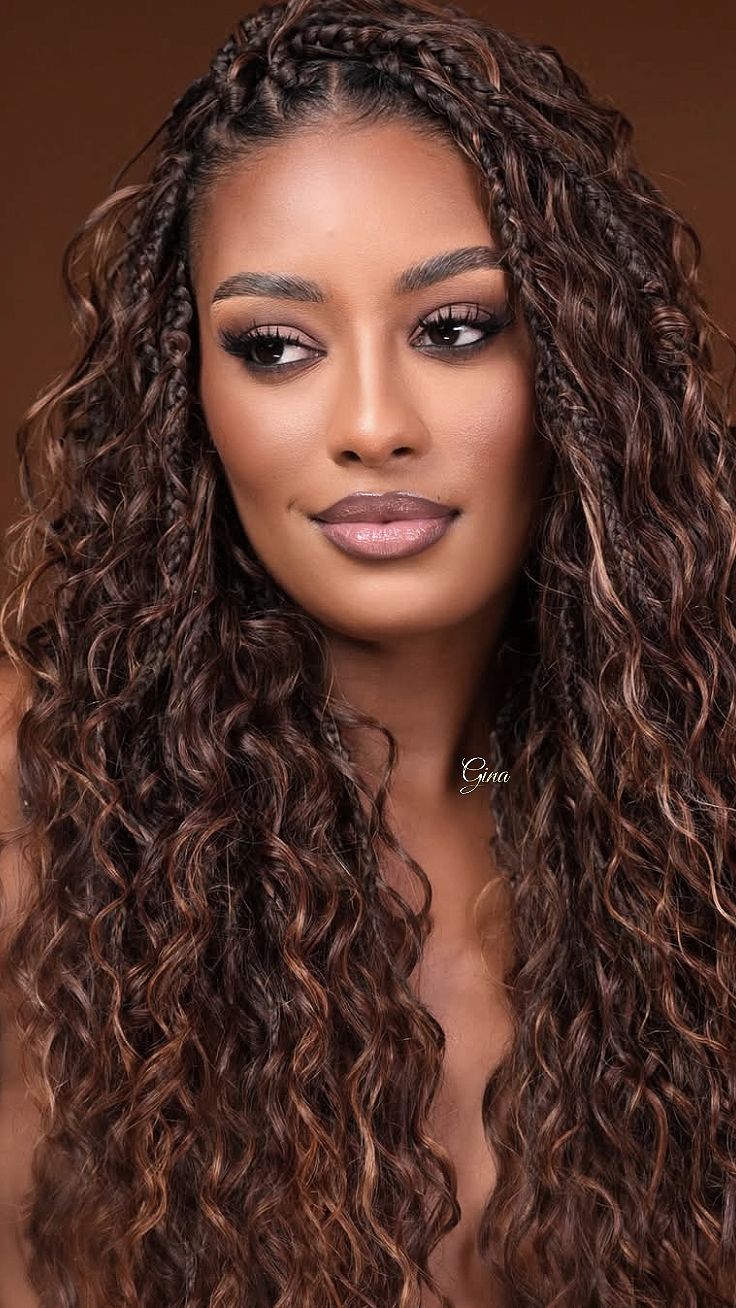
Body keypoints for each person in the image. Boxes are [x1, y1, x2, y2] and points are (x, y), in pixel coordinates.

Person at [0, 0, 734, 1304]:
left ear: (579, 365)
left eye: (453, 328)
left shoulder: (691, 816)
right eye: (274, 347)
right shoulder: (43, 814)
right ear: (189, 395)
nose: (372, 424)